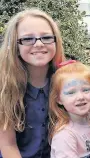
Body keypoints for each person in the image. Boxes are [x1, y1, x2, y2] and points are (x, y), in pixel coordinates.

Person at [0, 9, 65, 158]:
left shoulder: (65, 79)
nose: (39, 44)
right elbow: (8, 145)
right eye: (28, 39)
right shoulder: (4, 87)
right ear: (16, 46)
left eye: (47, 37)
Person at [49, 60, 90, 158]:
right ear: (59, 99)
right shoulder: (65, 136)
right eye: (71, 93)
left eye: (86, 90)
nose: (80, 97)